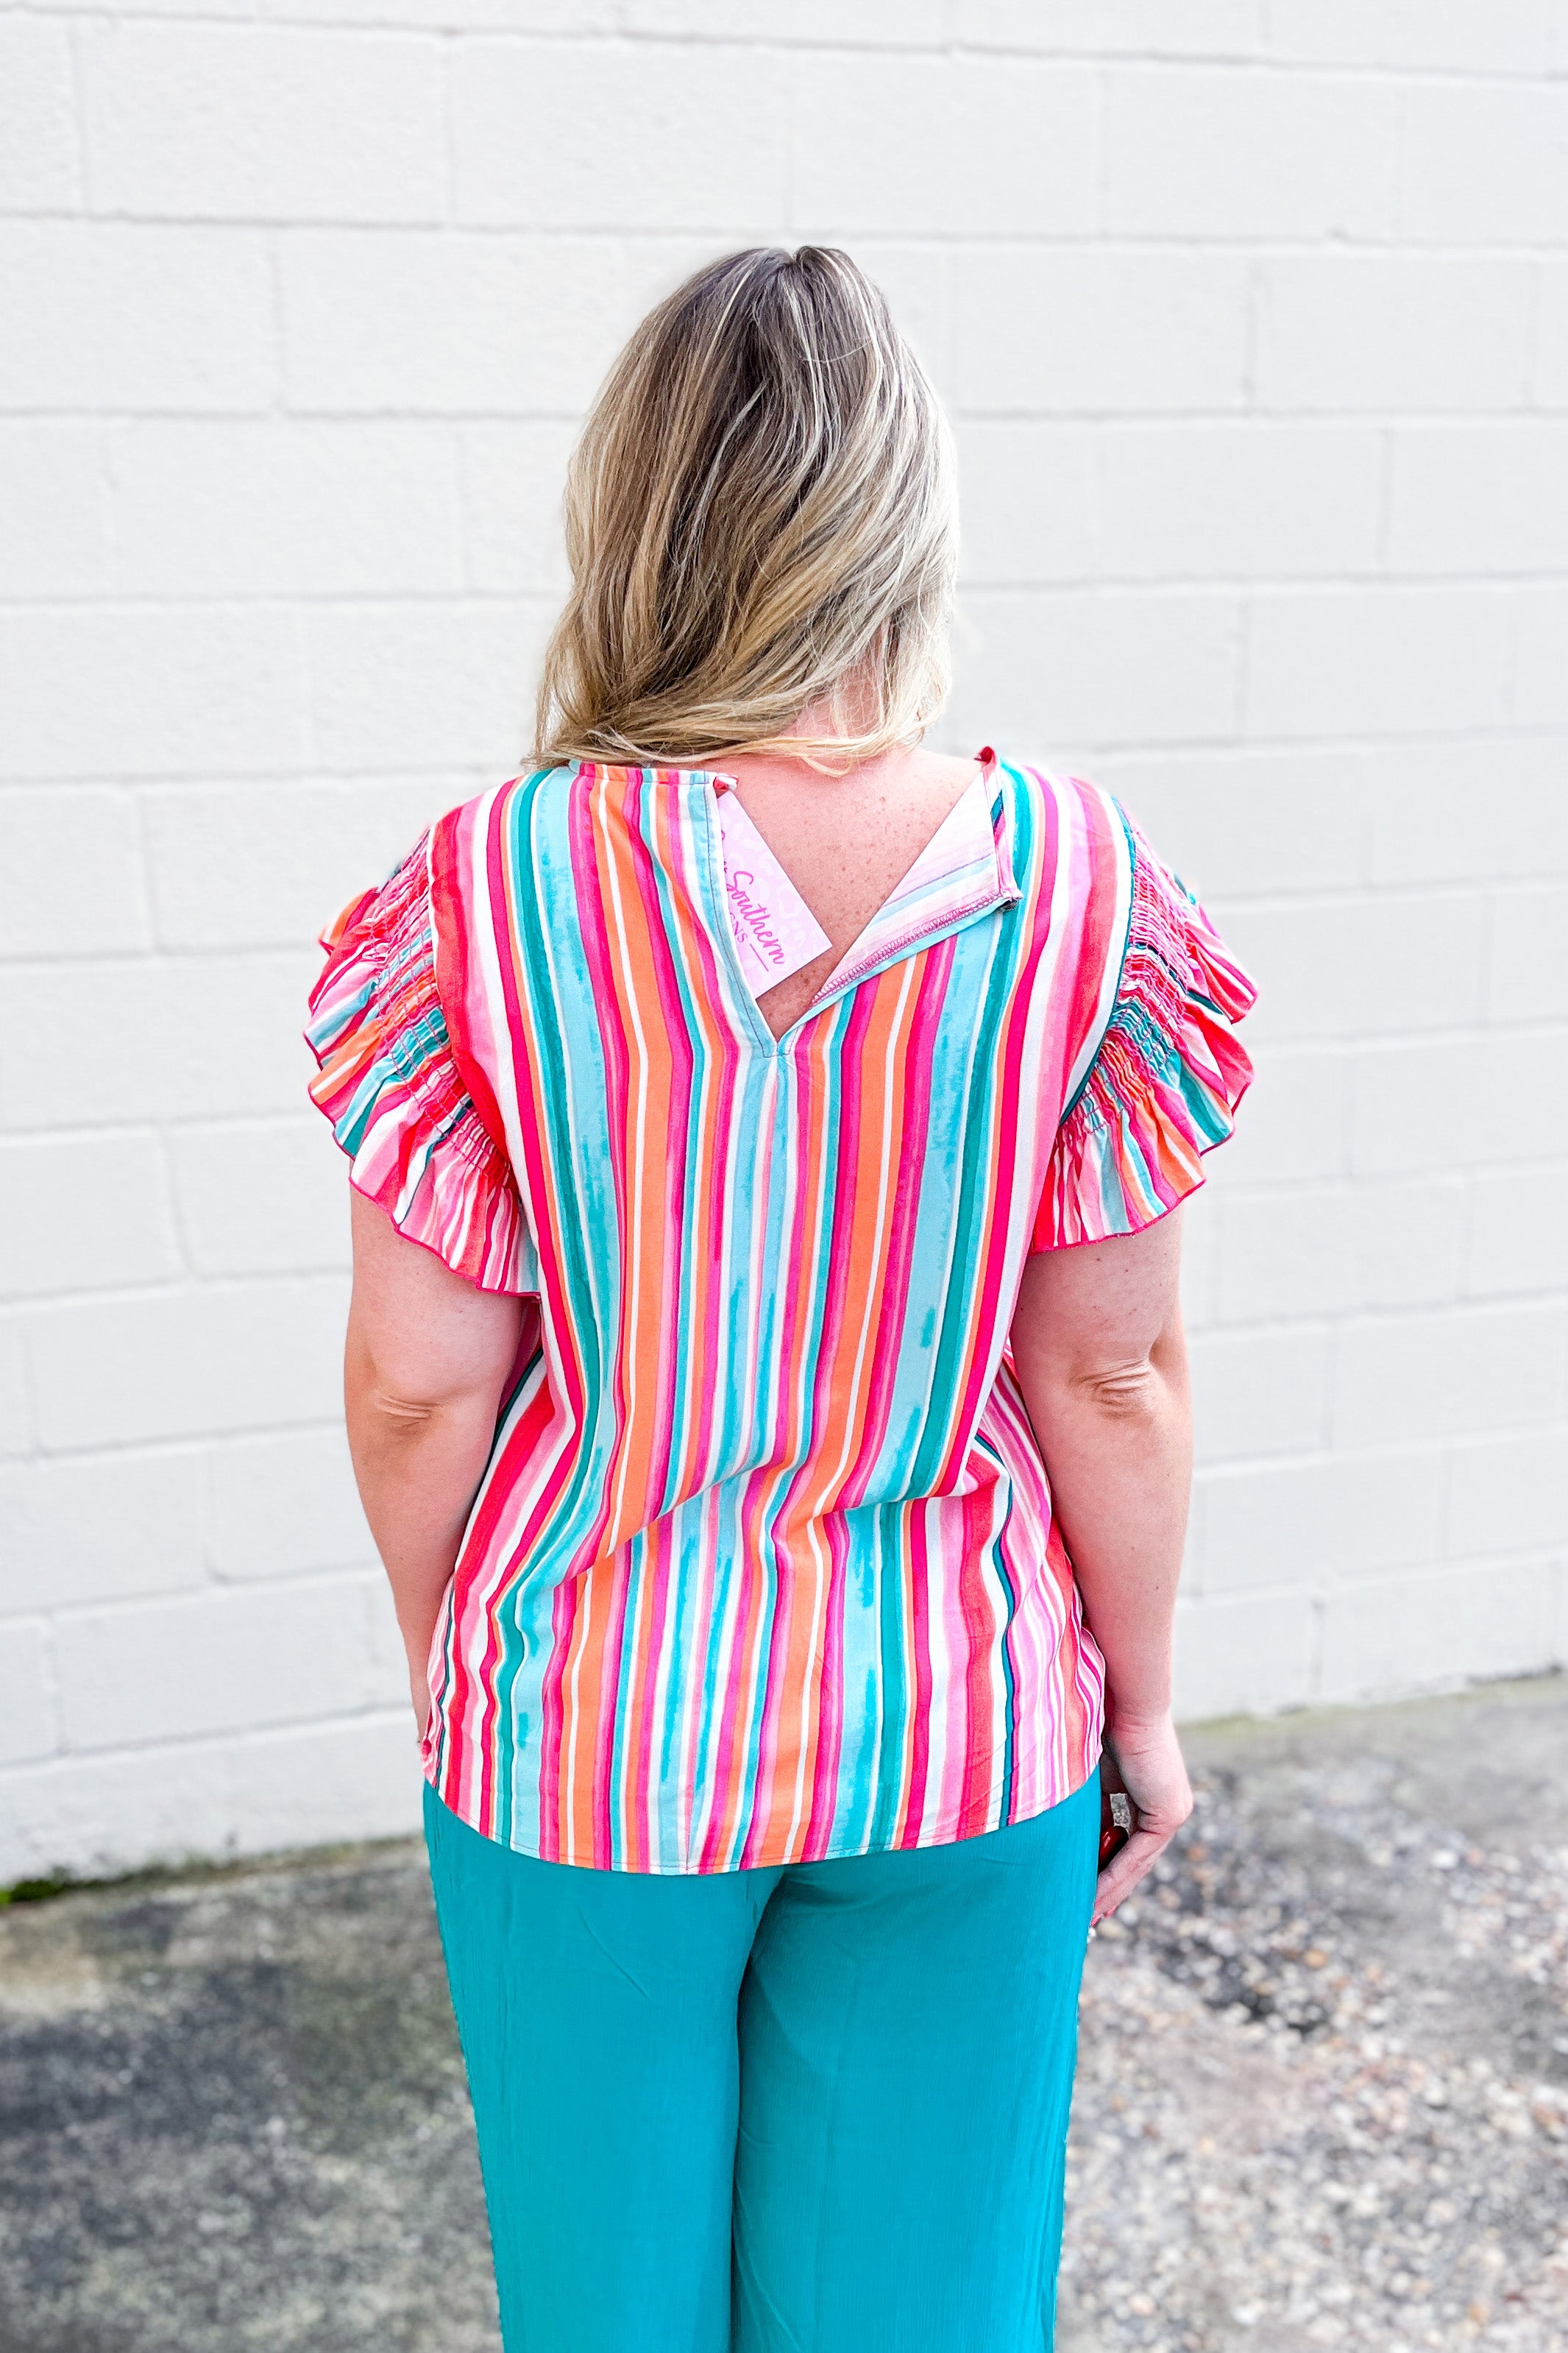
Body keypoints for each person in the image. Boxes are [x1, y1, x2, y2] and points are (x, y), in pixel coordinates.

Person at [305, 245, 1256, 2353]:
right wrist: (1146, 1701)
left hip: (586, 1733)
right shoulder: (1084, 887)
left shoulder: (480, 892)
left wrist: (457, 1661)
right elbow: (1105, 1370)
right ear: (902, 520)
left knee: (607, 2300)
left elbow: (415, 1390)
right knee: (915, 2302)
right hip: (957, 1722)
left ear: (636, 519)